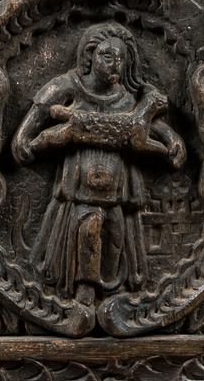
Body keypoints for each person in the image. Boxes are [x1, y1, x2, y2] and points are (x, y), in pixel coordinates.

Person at [11, 21, 186, 306]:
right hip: (80, 182)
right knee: (88, 225)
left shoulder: (128, 99)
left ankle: (112, 288)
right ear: (89, 56)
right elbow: (22, 143)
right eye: (107, 56)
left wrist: (170, 141)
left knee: (115, 232)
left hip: (118, 184)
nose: (115, 64)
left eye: (121, 59)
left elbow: (156, 135)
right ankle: (84, 288)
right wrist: (39, 141)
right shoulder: (66, 88)